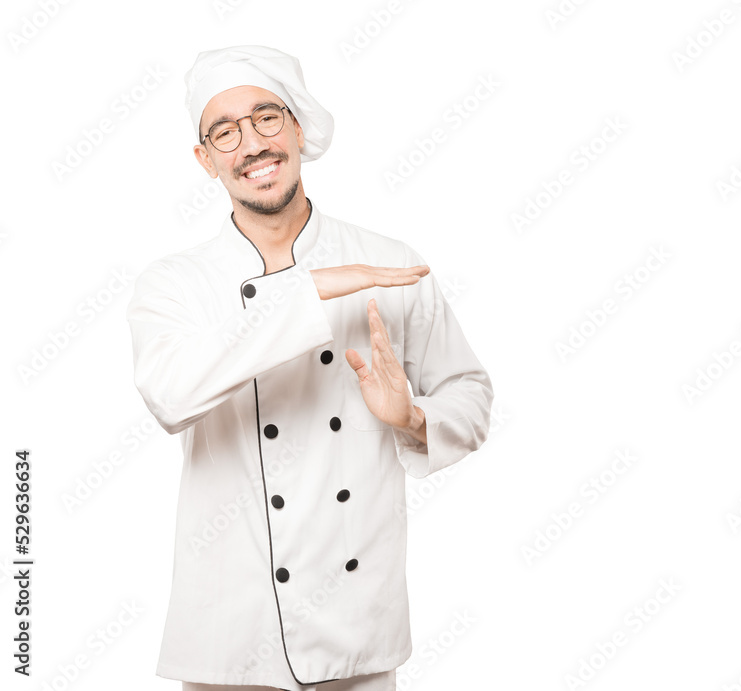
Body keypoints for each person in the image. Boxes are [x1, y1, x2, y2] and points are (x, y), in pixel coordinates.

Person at [125, 45, 494, 691]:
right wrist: (308, 291)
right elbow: (170, 397)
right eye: (225, 131)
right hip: (227, 636)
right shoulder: (174, 283)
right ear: (205, 159)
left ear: (297, 128)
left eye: (267, 117)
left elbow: (469, 389)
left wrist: (410, 415)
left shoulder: (387, 261)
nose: (251, 143)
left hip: (357, 631)